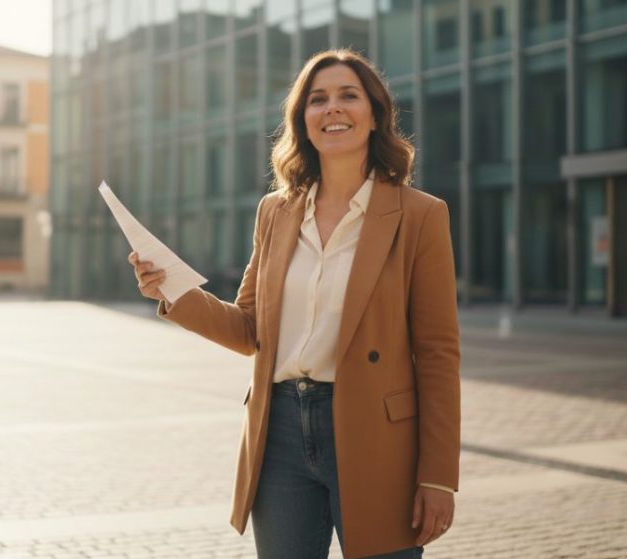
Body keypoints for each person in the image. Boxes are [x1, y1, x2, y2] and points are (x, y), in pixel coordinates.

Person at [128, 49, 460, 559]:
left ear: (375, 115)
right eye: (317, 99)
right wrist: (173, 289)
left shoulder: (419, 216)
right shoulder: (276, 212)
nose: (332, 109)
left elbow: (437, 354)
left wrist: (438, 477)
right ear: (302, 120)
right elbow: (248, 329)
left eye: (348, 96)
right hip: (279, 429)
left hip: (376, 433)